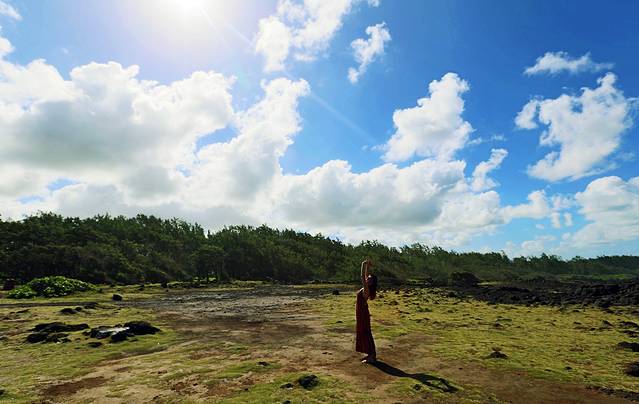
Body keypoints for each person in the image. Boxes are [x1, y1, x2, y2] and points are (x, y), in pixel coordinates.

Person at [356, 258, 377, 363]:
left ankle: (372, 356)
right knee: (363, 332)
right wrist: (368, 266)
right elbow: (365, 275)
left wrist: (363, 264)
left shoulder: (367, 289)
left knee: (366, 332)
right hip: (361, 312)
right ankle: (370, 354)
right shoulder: (367, 288)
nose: (367, 278)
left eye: (369, 278)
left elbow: (362, 277)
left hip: (363, 313)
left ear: (370, 282)